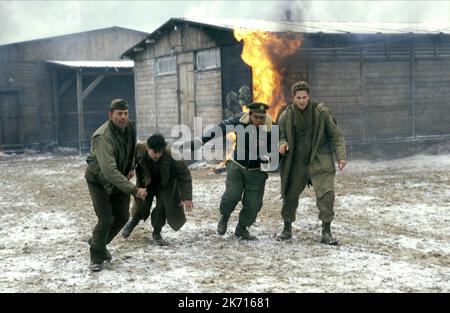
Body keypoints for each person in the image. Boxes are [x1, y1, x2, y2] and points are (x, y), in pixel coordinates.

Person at [277, 81, 346, 244]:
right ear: (293, 97)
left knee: (326, 195)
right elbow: (280, 135)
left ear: (309, 97)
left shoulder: (321, 113)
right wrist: (282, 144)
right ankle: (287, 228)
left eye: (304, 97)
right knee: (290, 195)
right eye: (298, 97)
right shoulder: (286, 116)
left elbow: (336, 135)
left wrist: (341, 157)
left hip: (319, 160)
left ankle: (326, 232)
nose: (302, 101)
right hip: (296, 162)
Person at [192, 102, 273, 240]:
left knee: (254, 204)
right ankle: (224, 217)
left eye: (261, 117)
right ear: (250, 114)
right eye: (256, 117)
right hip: (237, 165)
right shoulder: (239, 121)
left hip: (257, 170)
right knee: (232, 196)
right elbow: (221, 128)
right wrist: (202, 140)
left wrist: (270, 156)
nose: (258, 121)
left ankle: (242, 228)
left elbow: (277, 147)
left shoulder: (271, 127)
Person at [85, 98, 147, 272]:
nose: (123, 117)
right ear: (110, 115)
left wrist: (131, 167)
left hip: (119, 177)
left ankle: (98, 243)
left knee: (122, 217)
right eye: (119, 114)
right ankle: (96, 257)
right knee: (105, 219)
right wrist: (134, 189)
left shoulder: (130, 127)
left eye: (126, 114)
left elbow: (131, 149)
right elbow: (109, 171)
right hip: (99, 179)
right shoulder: (103, 136)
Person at [120, 133, 193, 245]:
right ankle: (133, 221)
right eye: (154, 152)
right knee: (142, 201)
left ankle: (157, 232)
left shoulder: (173, 154)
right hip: (146, 179)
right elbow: (130, 160)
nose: (158, 155)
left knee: (163, 205)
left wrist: (187, 197)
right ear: (148, 148)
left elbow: (184, 174)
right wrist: (130, 169)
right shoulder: (139, 148)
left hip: (166, 182)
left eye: (160, 152)